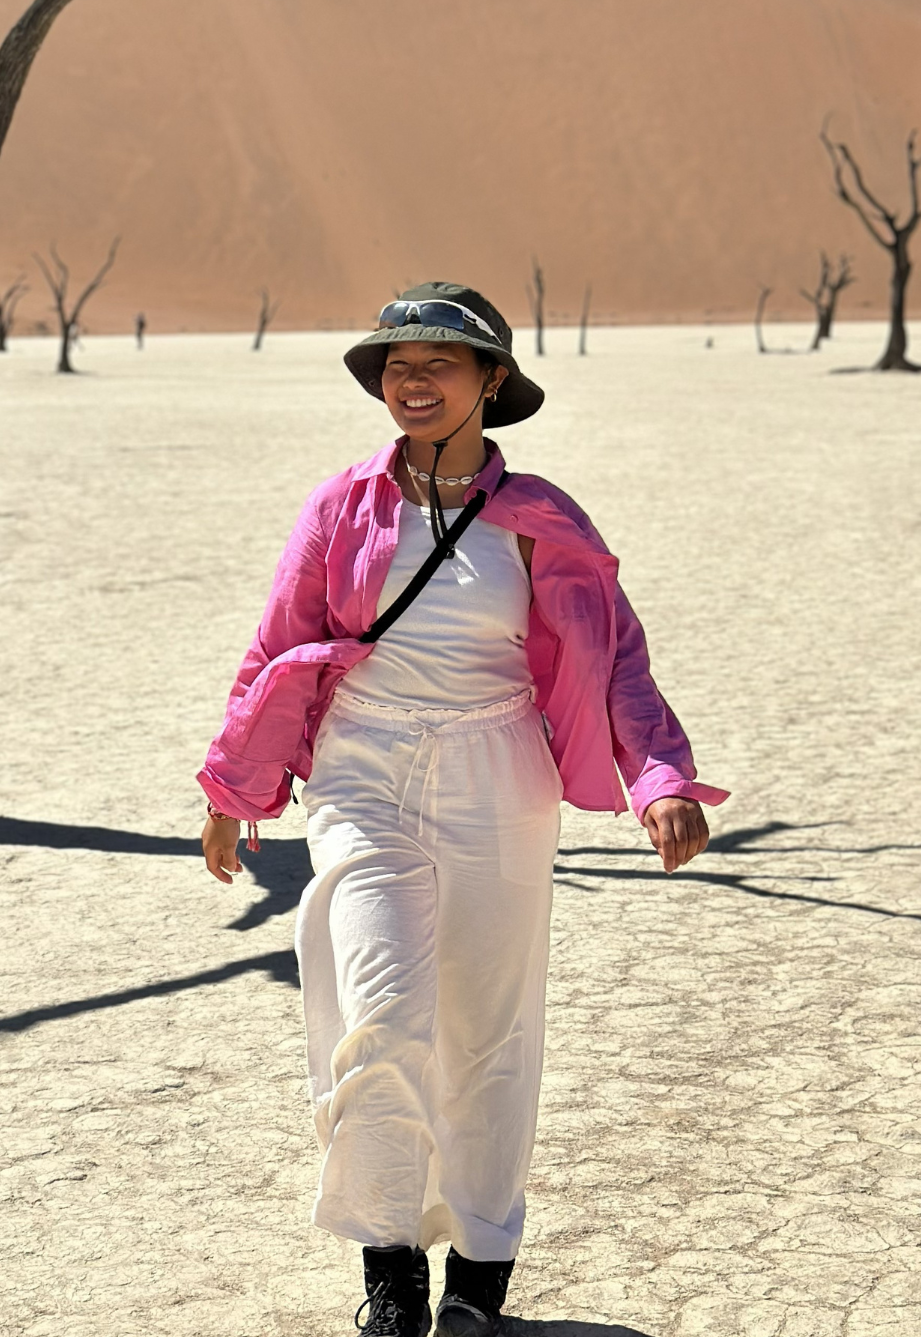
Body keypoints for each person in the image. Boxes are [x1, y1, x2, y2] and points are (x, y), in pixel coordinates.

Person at [197, 284, 726, 1336]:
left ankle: (478, 1278)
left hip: (498, 777)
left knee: (487, 1032)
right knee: (379, 1016)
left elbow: (613, 658)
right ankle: (387, 1270)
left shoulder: (541, 521)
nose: (412, 379)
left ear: (491, 382)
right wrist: (232, 787)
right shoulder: (339, 507)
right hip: (362, 772)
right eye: (395, 363)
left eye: (441, 361)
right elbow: (273, 649)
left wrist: (658, 779)